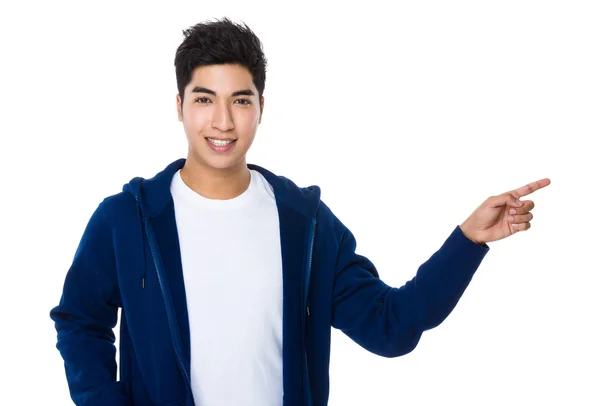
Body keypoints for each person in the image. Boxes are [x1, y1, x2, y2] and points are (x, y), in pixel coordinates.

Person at [49, 17, 550, 406]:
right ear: (179, 106)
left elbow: (390, 326)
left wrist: (467, 242)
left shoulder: (303, 224)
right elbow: (80, 322)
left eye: (240, 100)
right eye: (205, 99)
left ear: (260, 107)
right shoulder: (126, 220)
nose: (222, 120)